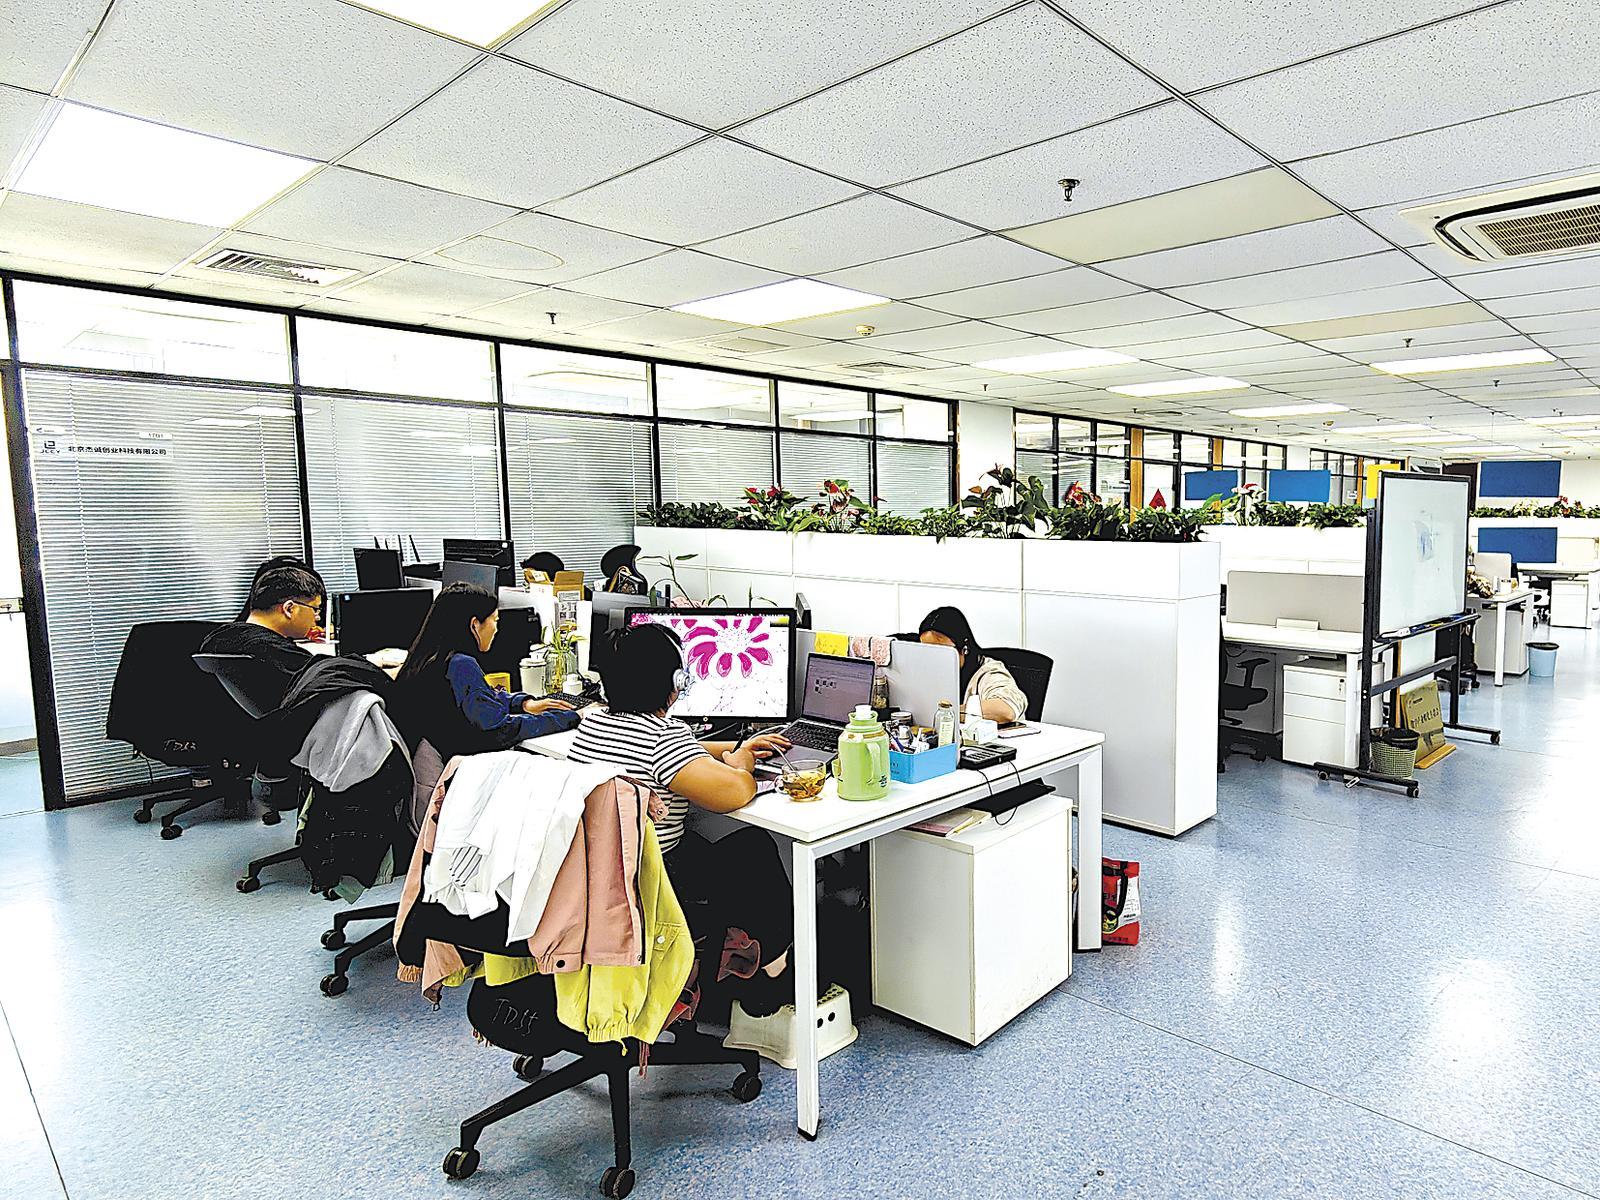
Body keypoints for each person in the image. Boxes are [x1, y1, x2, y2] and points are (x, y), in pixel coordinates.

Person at [567, 621, 796, 1015]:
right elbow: (736, 792)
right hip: (655, 878)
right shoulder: (664, 738)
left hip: (605, 873)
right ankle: (774, 971)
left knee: (703, 843)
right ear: (676, 682)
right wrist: (741, 760)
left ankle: (741, 955)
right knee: (753, 847)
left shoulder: (593, 724)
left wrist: (735, 745)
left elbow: (678, 750)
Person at [390, 583, 580, 784]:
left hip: (430, 776)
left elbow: (483, 699)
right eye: (494, 620)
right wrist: (571, 717)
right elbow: (500, 730)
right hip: (454, 783)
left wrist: (524, 704)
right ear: (474, 625)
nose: (496, 629)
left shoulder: (427, 659)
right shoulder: (461, 665)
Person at [202, 564, 326, 687]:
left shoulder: (214, 641)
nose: (317, 617)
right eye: (315, 609)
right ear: (289, 609)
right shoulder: (278, 653)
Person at [918, 605, 1028, 724]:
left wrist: (945, 713)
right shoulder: (928, 671)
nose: (934, 659)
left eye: (941, 651)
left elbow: (1006, 711)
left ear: (964, 649)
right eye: (927, 651)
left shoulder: (989, 673)